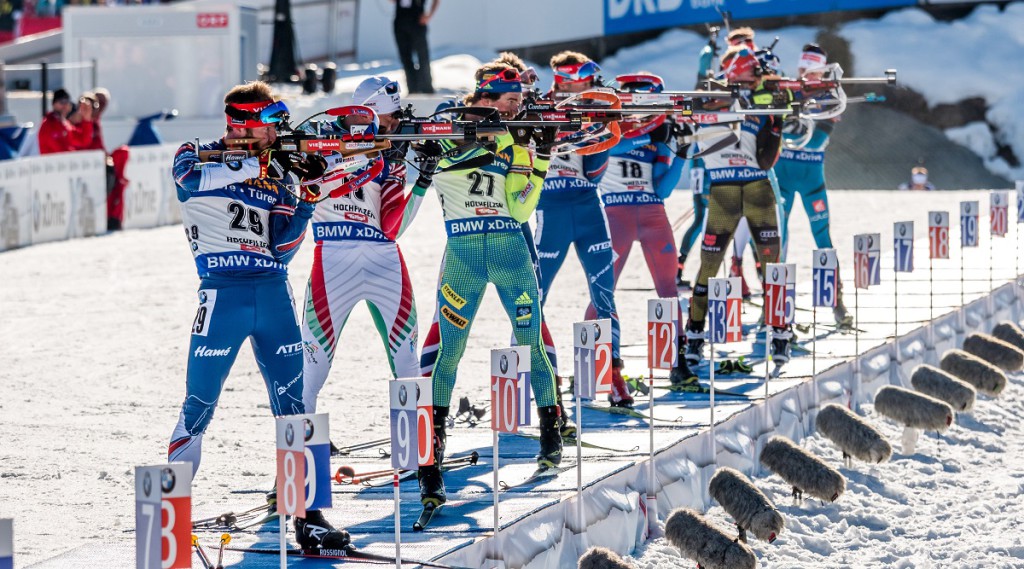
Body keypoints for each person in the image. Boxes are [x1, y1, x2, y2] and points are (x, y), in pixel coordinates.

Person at [166, 81, 348, 551]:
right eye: (270, 124)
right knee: (199, 405)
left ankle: (309, 517)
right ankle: (169, 521)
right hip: (221, 294)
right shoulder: (195, 153)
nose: (277, 134)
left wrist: (306, 199)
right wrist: (258, 162)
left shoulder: (277, 174)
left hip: (271, 293)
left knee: (294, 406)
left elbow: (281, 249)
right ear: (244, 124)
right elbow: (187, 181)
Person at [417, 62, 563, 511]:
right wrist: (486, 137)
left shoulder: (511, 136)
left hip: (508, 250)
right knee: (449, 354)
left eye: (520, 101)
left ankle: (551, 432)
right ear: (486, 95)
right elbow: (437, 147)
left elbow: (521, 210)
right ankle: (431, 458)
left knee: (530, 343)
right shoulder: (450, 119)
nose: (518, 107)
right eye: (511, 100)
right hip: (461, 252)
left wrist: (539, 159)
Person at [299, 76, 427, 416]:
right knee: (311, 368)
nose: (396, 125)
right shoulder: (319, 139)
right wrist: (357, 159)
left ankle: (419, 457)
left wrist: (420, 180)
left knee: (406, 361)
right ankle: (303, 452)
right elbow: (308, 190)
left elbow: (391, 227)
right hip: (333, 257)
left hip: (383, 258)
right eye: (391, 118)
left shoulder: (391, 152)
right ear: (367, 113)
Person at [673, 46, 790, 382]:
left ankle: (780, 329)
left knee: (772, 266)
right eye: (751, 76)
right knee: (708, 265)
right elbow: (681, 141)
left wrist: (777, 121)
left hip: (757, 189)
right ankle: (694, 333)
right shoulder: (704, 100)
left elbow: (767, 161)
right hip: (722, 191)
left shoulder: (757, 106)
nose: (755, 82)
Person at [535, 51, 633, 408]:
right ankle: (545, 378)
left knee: (604, 293)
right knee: (535, 295)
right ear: (558, 79)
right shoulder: (537, 105)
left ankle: (614, 372)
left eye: (584, 81)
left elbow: (594, 171)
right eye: (571, 80)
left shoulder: (594, 106)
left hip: (589, 205)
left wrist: (600, 122)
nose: (578, 87)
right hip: (549, 206)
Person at [587, 72, 693, 384]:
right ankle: (601, 366)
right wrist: (649, 134)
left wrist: (681, 156)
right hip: (615, 214)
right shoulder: (608, 124)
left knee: (668, 290)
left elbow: (662, 189)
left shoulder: (659, 131)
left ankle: (678, 360)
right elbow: (609, 147)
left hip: (652, 214)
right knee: (603, 290)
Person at [775, 44, 853, 327]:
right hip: (782, 176)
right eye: (801, 69)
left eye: (810, 70)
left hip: (810, 179)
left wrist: (797, 119)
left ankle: (836, 301)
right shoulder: (785, 90)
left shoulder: (830, 96)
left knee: (822, 237)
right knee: (777, 239)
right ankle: (774, 302)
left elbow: (816, 141)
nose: (804, 75)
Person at [677, 27, 757, 289]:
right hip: (705, 159)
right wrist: (709, 49)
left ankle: (742, 272)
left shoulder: (756, 78)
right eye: (737, 44)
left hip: (735, 159)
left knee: (747, 216)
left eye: (747, 45)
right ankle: (680, 268)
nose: (744, 50)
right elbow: (701, 81)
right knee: (704, 217)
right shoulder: (718, 80)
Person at [391, 0, 438, 94]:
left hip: (417, 21)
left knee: (422, 56)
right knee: (405, 57)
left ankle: (426, 88)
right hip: (400, 21)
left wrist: (429, 15)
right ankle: (412, 89)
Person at [38, 88, 93, 154]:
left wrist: (87, 118)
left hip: (64, 162)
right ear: (54, 104)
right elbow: (60, 150)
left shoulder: (65, 124)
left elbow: (83, 140)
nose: (65, 105)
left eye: (67, 102)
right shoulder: (47, 124)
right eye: (62, 102)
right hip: (52, 163)